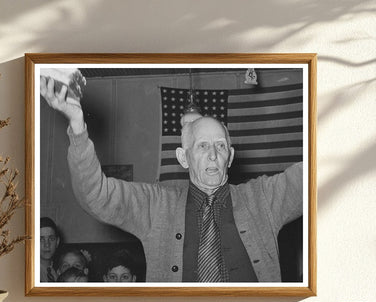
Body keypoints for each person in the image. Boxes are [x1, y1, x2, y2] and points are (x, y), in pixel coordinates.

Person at [40, 76, 302, 283]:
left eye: (220, 147)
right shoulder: (156, 205)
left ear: (230, 156)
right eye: (202, 147)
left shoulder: (264, 198)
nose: (213, 155)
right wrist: (77, 126)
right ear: (183, 157)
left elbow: (314, 174)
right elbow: (95, 194)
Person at [40, 217, 60, 282]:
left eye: (51, 239)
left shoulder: (60, 271)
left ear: (57, 242)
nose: (47, 245)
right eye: (41, 239)